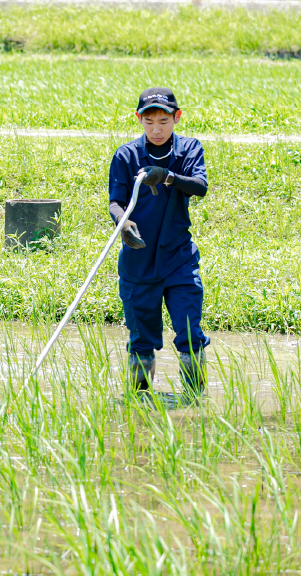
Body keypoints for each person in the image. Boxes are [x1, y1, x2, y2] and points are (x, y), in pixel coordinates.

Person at [108, 87, 209, 402]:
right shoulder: (126, 156)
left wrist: (166, 177)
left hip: (179, 260)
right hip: (138, 264)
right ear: (139, 119)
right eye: (149, 121)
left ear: (176, 118)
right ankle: (139, 400)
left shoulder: (189, 150)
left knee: (190, 333)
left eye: (163, 121)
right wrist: (122, 223)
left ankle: (195, 400)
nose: (156, 129)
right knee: (141, 340)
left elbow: (199, 186)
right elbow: (115, 202)